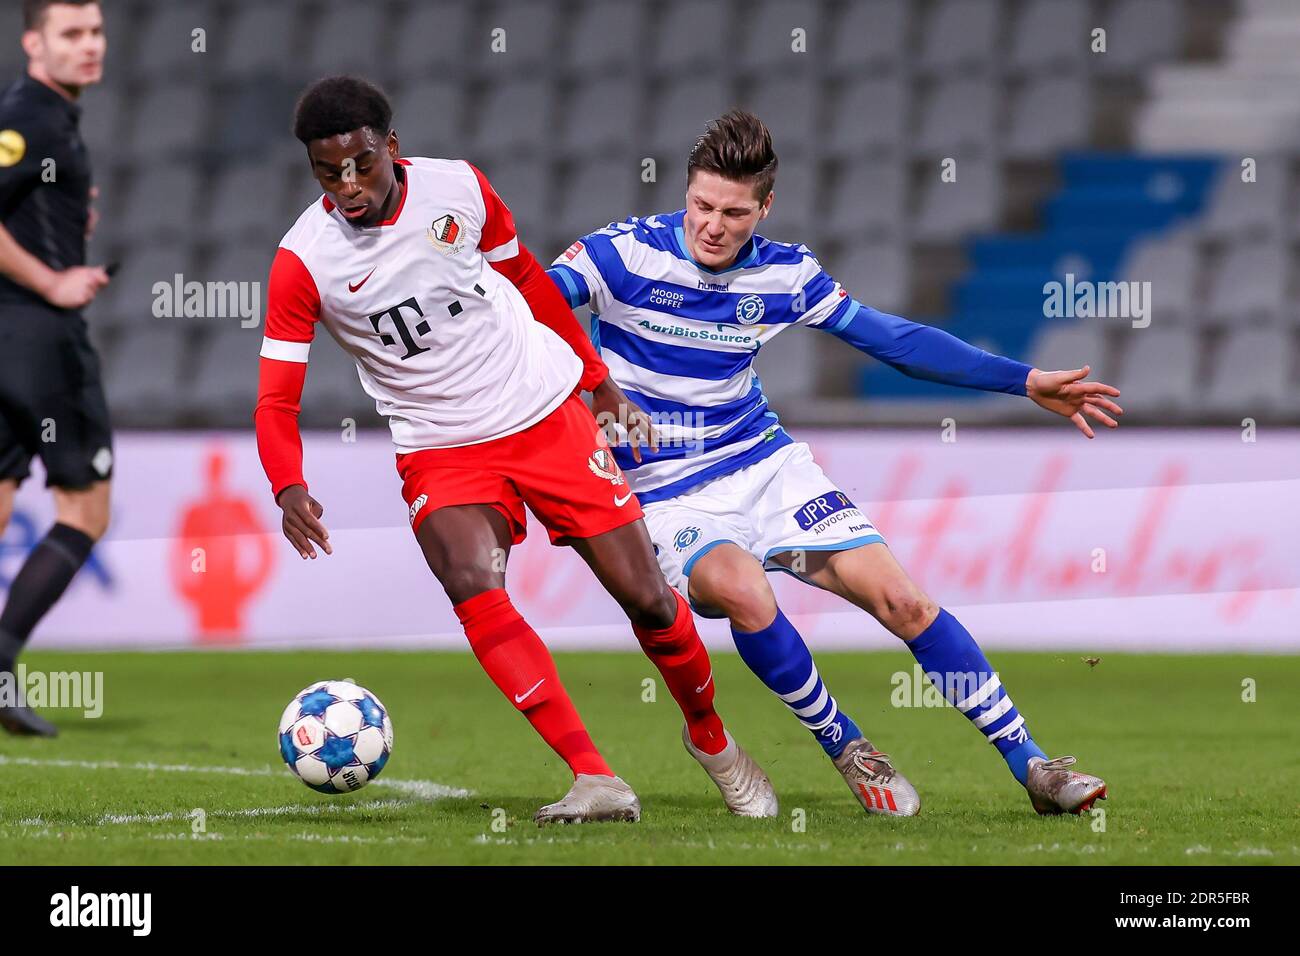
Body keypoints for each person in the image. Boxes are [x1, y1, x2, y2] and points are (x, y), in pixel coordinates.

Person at [546, 109, 1116, 817]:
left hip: (764, 464)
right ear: (684, 192)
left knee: (903, 601)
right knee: (749, 593)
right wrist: (595, 387)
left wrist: (1023, 380)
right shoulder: (621, 255)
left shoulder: (787, 274)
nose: (712, 226)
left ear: (765, 207)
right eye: (700, 205)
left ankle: (1032, 765)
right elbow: (529, 305)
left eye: (732, 211)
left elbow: (894, 339)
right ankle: (843, 740)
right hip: (665, 491)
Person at [254, 78, 777, 824]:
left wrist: (599, 386)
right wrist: (287, 484)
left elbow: (526, 276)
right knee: (471, 582)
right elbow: (276, 399)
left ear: (391, 149)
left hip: (539, 409)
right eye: (326, 171)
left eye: (361, 164)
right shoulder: (304, 261)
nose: (347, 185)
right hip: (439, 445)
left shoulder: (459, 189)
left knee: (649, 599)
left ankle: (713, 740)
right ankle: (595, 776)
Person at [0, 0, 112, 737]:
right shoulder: (31, 118)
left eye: (97, 31)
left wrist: (70, 222)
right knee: (85, 506)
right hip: (37, 334)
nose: (90, 45)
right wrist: (52, 280)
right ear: (33, 42)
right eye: (72, 34)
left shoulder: (50, 118)